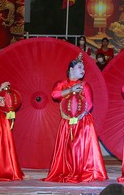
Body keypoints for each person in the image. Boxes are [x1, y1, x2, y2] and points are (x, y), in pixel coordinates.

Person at [44, 54, 108, 183]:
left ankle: (83, 171)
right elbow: (55, 95)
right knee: (67, 148)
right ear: (71, 69)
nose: (83, 70)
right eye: (80, 67)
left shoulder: (85, 85)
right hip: (66, 122)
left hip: (82, 122)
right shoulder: (61, 84)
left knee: (79, 148)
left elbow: (90, 104)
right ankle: (67, 170)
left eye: (83, 68)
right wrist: (71, 90)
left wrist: (78, 117)